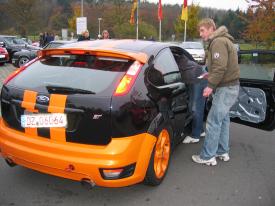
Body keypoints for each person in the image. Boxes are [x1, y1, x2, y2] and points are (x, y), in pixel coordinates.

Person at [192, 18, 240, 166]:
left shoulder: (218, 42)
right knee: (223, 120)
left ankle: (207, 157)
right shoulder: (224, 40)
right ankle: (222, 151)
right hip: (230, 87)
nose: (201, 34)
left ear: (211, 28)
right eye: (200, 31)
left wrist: (210, 85)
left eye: (202, 30)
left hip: (225, 88)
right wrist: (209, 74)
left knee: (213, 121)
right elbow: (221, 67)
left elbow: (220, 67)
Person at [176, 54, 207, 144]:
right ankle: (200, 131)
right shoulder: (179, 58)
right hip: (199, 77)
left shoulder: (176, 60)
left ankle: (195, 135)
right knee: (196, 107)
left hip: (197, 80)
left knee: (195, 108)